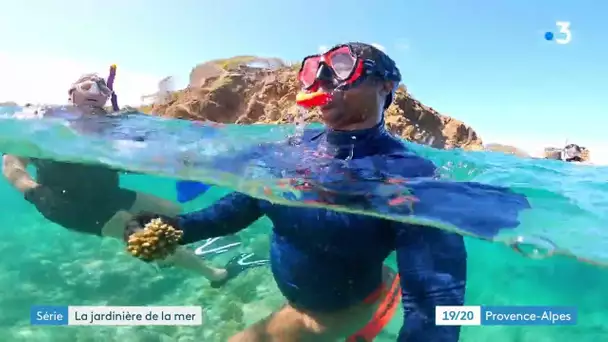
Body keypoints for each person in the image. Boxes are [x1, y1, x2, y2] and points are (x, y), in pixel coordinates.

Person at [125, 43, 531, 341]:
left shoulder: (410, 175)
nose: (320, 79)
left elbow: (433, 304)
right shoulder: (288, 152)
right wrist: (176, 228)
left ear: (385, 85)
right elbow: (235, 210)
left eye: (340, 66)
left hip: (332, 312)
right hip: (307, 303)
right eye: (314, 70)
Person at [2, 73, 266, 287]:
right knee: (150, 235)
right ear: (71, 93)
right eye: (86, 86)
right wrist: (32, 190)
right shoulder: (44, 120)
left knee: (173, 211)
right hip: (67, 205)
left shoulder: (115, 124)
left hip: (107, 193)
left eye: (103, 90)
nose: (95, 92)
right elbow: (12, 160)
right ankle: (213, 274)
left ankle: (168, 256)